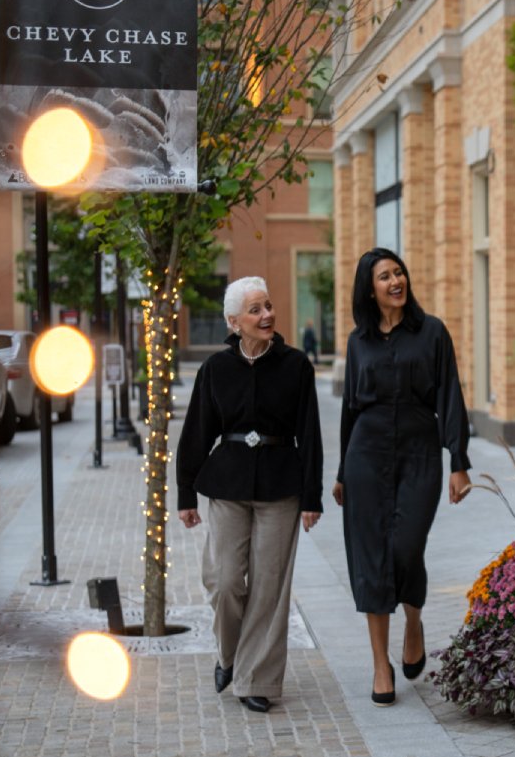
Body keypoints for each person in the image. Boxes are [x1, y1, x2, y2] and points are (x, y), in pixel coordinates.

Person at [176, 276, 323, 714]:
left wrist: (312, 496)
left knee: (269, 588)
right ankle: (229, 654)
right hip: (228, 484)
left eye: (269, 306)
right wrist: (185, 492)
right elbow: (197, 432)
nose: (267, 316)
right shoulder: (215, 370)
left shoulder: (297, 366)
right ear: (234, 322)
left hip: (282, 486)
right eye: (256, 310)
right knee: (223, 581)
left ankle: (255, 679)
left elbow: (310, 435)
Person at [333, 247, 471, 708]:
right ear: (369, 291)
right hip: (365, 456)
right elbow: (350, 409)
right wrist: (340, 473)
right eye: (384, 277)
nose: (395, 281)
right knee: (371, 557)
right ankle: (380, 665)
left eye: (398, 272)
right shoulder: (359, 342)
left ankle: (413, 622)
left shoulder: (430, 333)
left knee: (406, 547)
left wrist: (459, 461)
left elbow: (449, 395)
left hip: (418, 451)